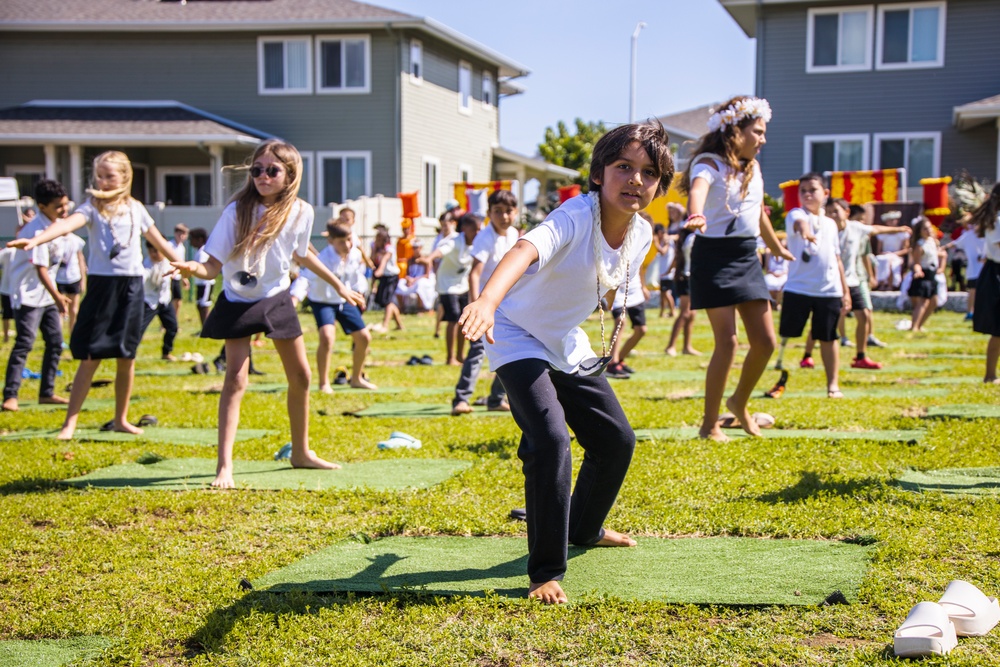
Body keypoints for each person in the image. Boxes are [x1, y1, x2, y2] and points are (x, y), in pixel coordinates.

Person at [458, 120, 673, 605]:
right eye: (624, 167)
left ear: (659, 185)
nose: (635, 179)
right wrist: (488, 302)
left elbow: (613, 284)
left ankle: (586, 528)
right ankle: (544, 571)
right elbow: (524, 249)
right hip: (514, 333)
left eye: (648, 172)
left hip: (565, 341)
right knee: (550, 438)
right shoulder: (575, 215)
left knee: (615, 440)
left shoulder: (641, 233)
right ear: (600, 173)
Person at [171, 139, 365, 488]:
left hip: (276, 297)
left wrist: (339, 286)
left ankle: (301, 452)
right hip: (238, 299)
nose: (262, 176)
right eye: (257, 170)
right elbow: (212, 266)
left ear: (289, 174)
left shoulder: (301, 211)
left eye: (271, 170)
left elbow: (302, 254)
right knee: (235, 379)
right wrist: (192, 268)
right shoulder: (237, 211)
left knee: (302, 376)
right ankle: (224, 467)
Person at [6, 151, 181, 438]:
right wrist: (36, 238)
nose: (102, 181)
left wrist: (183, 265)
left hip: (132, 287)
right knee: (91, 356)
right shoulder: (91, 208)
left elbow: (158, 240)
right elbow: (64, 225)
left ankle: (121, 419)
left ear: (125, 177)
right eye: (98, 175)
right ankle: (69, 423)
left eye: (109, 175)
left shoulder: (136, 208)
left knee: (127, 356)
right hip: (103, 286)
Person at [680, 96, 793, 440]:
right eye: (757, 132)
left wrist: (777, 248)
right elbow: (698, 189)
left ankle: (738, 402)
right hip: (712, 256)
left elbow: (757, 213)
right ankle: (708, 424)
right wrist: (695, 213)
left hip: (746, 255)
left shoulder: (753, 169)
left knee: (765, 342)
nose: (763, 139)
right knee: (726, 343)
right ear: (735, 131)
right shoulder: (709, 164)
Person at [775, 174, 851, 398]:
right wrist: (806, 233)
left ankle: (833, 385)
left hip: (829, 291)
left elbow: (837, 259)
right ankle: (777, 370)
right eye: (803, 191)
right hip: (798, 288)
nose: (807, 194)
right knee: (786, 334)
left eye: (813, 190)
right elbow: (801, 224)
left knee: (829, 337)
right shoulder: (795, 214)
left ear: (825, 194)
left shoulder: (830, 224)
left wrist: (845, 291)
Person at [2, 179, 71, 411]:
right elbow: (41, 269)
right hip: (29, 295)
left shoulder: (55, 225)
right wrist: (59, 297)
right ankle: (10, 396)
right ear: (42, 207)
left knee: (55, 343)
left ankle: (47, 392)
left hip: (46, 295)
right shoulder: (36, 230)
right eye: (58, 206)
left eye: (65, 204)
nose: (64, 210)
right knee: (24, 343)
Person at [450, 190, 518, 415]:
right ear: (489, 213)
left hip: (508, 306)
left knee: (511, 350)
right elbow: (474, 274)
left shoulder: (515, 235)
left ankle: (496, 398)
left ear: (515, 212)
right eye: (497, 211)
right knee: (478, 350)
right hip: (486, 305)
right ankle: (461, 399)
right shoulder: (485, 238)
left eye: (508, 211)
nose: (503, 216)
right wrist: (475, 305)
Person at [825, 199, 910, 369]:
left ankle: (861, 356)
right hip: (831, 281)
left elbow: (877, 229)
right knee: (827, 319)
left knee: (863, 315)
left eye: (836, 211)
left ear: (846, 212)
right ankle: (809, 354)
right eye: (829, 212)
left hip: (852, 280)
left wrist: (899, 229)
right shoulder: (826, 230)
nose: (832, 215)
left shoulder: (855, 228)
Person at [308, 221, 375, 391]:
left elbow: (355, 278)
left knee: (364, 338)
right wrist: (295, 296)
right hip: (322, 301)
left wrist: (359, 294)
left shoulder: (354, 254)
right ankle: (324, 383)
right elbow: (305, 277)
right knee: (327, 337)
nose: (347, 245)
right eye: (341, 241)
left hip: (343, 299)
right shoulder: (323, 258)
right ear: (331, 241)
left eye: (349, 240)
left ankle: (356, 378)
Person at [423, 213, 477, 365]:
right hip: (447, 286)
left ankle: (460, 356)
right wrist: (429, 258)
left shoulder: (476, 243)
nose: (477, 234)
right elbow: (441, 251)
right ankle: (450, 358)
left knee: (463, 320)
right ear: (465, 229)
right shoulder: (454, 241)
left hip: (463, 286)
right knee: (453, 319)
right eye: (475, 230)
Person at [968, 183, 1000, 383]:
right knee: (998, 330)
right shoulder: (998, 220)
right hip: (996, 274)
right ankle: (990, 375)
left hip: (993, 272)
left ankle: (990, 375)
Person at [138, 241, 178, 361]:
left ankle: (166, 352)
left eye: (157, 251)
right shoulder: (146, 265)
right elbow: (142, 278)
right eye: (152, 251)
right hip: (149, 301)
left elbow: (175, 273)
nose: (155, 254)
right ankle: (129, 353)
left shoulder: (167, 262)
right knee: (139, 328)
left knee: (172, 327)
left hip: (164, 300)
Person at [664, 226, 700, 357]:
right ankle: (670, 346)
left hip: (689, 277)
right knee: (685, 313)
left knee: (692, 314)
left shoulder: (688, 237)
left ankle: (687, 347)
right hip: (686, 278)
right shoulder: (693, 238)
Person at [949, 215, 986, 321]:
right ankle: (971, 312)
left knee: (974, 292)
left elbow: (954, 244)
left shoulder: (970, 235)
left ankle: (972, 312)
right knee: (974, 292)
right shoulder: (970, 235)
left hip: (977, 269)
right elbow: (955, 244)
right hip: (976, 269)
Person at [908, 216, 941, 333]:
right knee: (922, 303)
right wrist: (918, 270)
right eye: (925, 229)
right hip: (924, 275)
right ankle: (914, 327)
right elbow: (916, 263)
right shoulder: (919, 245)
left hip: (932, 275)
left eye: (929, 228)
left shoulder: (932, 241)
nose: (929, 231)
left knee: (934, 302)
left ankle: (919, 324)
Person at [369, 226, 404, 333]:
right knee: (384, 301)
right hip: (383, 276)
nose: (377, 241)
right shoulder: (375, 247)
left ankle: (385, 325)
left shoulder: (389, 248)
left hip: (391, 276)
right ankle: (399, 325)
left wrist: (380, 270)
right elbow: (372, 259)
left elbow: (384, 259)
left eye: (379, 239)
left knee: (388, 301)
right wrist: (374, 249)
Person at [55, 230, 87, 336]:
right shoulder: (55, 240)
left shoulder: (76, 240)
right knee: (60, 309)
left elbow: (80, 259)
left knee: (74, 309)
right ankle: (58, 337)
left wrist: (83, 279)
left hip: (74, 277)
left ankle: (73, 335)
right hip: (58, 278)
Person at [188, 228, 214, 329]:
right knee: (199, 305)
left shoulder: (203, 252)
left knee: (204, 306)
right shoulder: (199, 251)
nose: (190, 241)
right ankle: (204, 328)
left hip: (205, 283)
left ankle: (207, 328)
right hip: (200, 283)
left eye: (192, 239)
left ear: (199, 239)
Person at [654, 223, 676, 318]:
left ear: (659, 232)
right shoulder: (664, 240)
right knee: (663, 294)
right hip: (663, 272)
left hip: (668, 272)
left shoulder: (667, 240)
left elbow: (663, 252)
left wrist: (655, 243)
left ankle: (673, 312)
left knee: (666, 293)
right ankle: (662, 312)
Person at [762, 231, 789, 309]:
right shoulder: (768, 252)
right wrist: (773, 273)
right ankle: (773, 302)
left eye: (781, 240)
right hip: (772, 274)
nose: (780, 242)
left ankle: (776, 303)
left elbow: (789, 268)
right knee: (769, 282)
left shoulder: (789, 251)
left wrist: (783, 273)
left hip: (784, 274)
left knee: (784, 284)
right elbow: (767, 268)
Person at [167, 224, 189, 318]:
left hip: (177, 277)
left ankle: (174, 321)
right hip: (169, 277)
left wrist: (184, 278)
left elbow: (182, 265)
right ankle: (165, 324)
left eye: (183, 234)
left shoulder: (182, 247)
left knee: (178, 301)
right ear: (175, 234)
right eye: (179, 234)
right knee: (168, 301)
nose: (181, 236)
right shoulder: (169, 245)